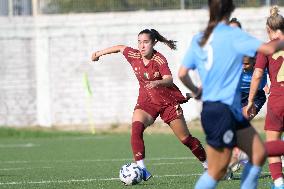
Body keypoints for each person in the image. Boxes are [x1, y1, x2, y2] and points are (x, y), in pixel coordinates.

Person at [178, 0, 284, 188]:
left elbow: (182, 74)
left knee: (258, 153)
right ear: (231, 11)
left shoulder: (199, 38)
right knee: (217, 170)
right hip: (222, 112)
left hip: (223, 110)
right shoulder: (233, 35)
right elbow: (268, 49)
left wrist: (196, 91)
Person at [91, 29, 207, 181]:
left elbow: (169, 79)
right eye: (139, 42)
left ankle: (208, 164)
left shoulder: (159, 59)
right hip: (147, 101)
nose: (142, 45)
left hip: (167, 102)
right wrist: (98, 53)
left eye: (145, 42)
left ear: (154, 43)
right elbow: (120, 47)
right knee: (136, 128)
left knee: (186, 139)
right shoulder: (134, 55)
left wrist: (158, 82)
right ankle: (142, 168)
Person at [225, 18, 269, 179]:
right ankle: (241, 159)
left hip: (255, 95)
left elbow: (271, 66)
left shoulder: (257, 50)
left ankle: (241, 157)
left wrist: (266, 83)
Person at [247, 6, 284, 189]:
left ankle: (279, 183)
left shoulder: (267, 47)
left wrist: (251, 100)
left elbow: (257, 75)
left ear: (269, 30)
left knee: (273, 142)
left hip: (277, 101)